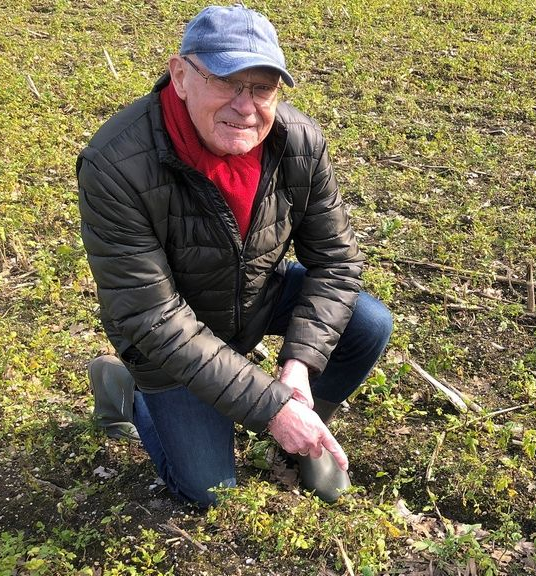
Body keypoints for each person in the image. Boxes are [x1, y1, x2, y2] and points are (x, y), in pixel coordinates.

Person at [77, 4, 393, 507]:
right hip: (166, 342)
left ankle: (302, 435)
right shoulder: (116, 164)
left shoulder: (298, 143)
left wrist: (299, 366)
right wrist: (267, 405)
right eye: (227, 81)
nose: (245, 106)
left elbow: (336, 260)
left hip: (253, 296)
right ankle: (125, 392)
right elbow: (152, 316)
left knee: (368, 322)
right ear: (180, 75)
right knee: (211, 493)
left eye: (262, 88)